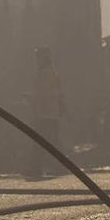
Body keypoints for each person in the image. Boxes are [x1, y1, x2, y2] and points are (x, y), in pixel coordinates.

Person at [25, 47, 66, 179]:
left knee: (41, 141)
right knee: (49, 141)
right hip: (49, 113)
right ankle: (53, 167)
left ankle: (36, 168)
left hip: (44, 113)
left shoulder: (45, 73)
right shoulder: (51, 72)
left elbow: (43, 93)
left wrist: (30, 98)